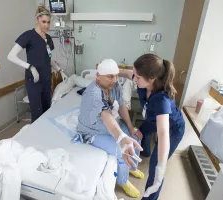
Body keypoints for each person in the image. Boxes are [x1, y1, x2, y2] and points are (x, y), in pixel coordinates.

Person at [119, 54, 185, 200]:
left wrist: (160, 169)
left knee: (155, 167)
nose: (134, 79)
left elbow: (163, 134)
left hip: (172, 130)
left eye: (137, 77)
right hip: (152, 120)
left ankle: (150, 196)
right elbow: (128, 73)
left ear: (152, 77)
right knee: (135, 135)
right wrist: (114, 73)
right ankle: (145, 153)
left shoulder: (161, 100)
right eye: (135, 76)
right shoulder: (144, 82)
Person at [76, 59, 144, 198]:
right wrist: (121, 137)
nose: (115, 80)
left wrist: (131, 128)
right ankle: (123, 181)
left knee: (135, 136)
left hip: (110, 125)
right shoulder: (93, 93)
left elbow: (122, 105)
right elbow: (106, 116)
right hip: (92, 130)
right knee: (120, 148)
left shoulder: (115, 85)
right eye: (110, 76)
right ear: (98, 76)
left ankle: (132, 167)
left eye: (116, 75)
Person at [7, 4, 63, 123]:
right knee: (37, 113)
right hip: (34, 81)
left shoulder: (48, 38)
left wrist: (59, 69)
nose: (47, 25)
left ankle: (46, 136)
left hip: (47, 79)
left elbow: (48, 58)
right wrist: (30, 67)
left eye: (48, 22)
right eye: (43, 22)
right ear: (37, 20)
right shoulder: (29, 36)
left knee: (47, 110)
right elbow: (11, 56)